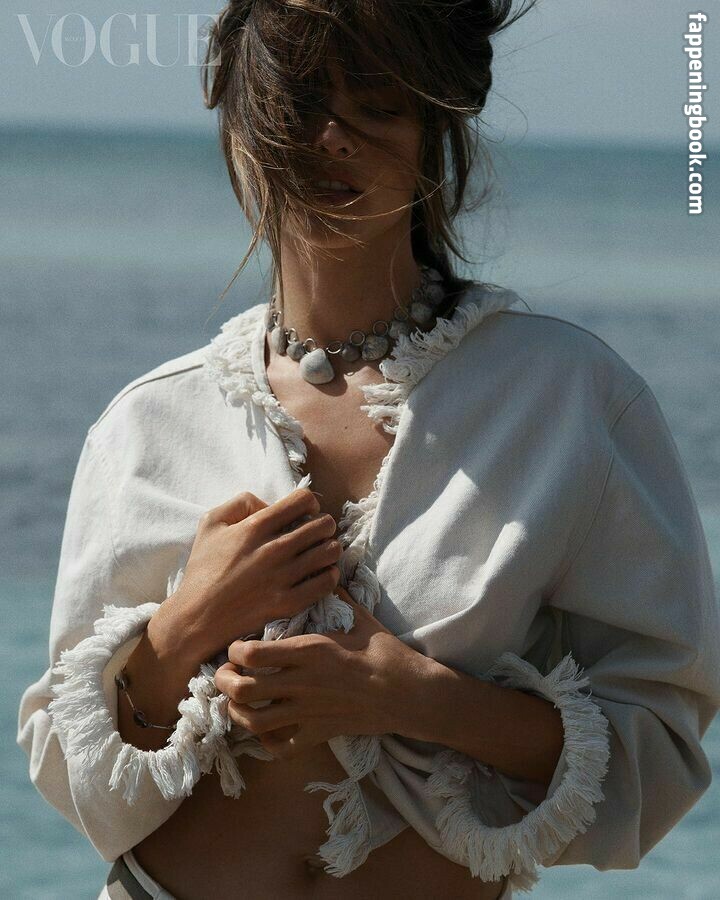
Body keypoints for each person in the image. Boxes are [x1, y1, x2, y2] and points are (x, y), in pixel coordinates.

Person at [18, 2, 720, 898]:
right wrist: (182, 628)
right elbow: (73, 783)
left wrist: (415, 697)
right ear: (242, 122)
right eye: (301, 103)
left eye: (380, 105)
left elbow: (657, 749)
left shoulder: (568, 399)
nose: (335, 138)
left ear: (435, 129)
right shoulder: (148, 423)